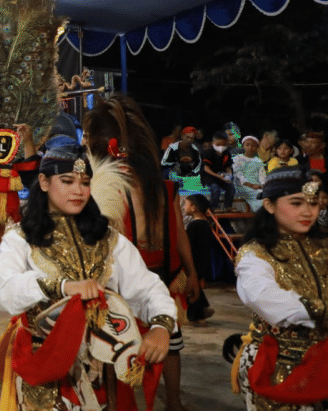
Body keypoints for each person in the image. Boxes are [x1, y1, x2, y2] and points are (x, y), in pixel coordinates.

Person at [0, 143, 176, 411]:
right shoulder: (20, 239)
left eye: (85, 182)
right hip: (45, 362)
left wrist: (160, 326)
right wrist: (63, 287)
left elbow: (146, 286)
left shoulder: (109, 239)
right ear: (43, 182)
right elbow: (6, 290)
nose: (78, 190)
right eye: (67, 181)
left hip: (103, 366)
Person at [83, 96, 200, 411]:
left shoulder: (106, 188)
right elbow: (180, 237)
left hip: (129, 282)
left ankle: (127, 402)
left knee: (116, 348)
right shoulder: (164, 187)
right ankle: (173, 402)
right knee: (170, 343)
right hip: (163, 275)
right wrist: (192, 275)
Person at [232, 167, 328, 410]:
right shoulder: (255, 254)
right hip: (279, 363)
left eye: (314, 204)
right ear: (270, 205)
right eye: (296, 203)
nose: (308, 212)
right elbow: (268, 301)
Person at [181, 194, 215, 324]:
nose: (184, 207)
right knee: (196, 288)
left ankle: (199, 315)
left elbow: (188, 246)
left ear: (194, 208)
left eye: (186, 204)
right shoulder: (206, 224)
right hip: (204, 260)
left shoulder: (193, 226)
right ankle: (203, 309)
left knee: (191, 288)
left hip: (194, 262)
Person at [202, 130, 236, 212]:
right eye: (218, 144)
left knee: (231, 188)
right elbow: (206, 169)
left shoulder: (227, 153)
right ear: (212, 143)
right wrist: (219, 176)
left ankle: (228, 206)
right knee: (215, 188)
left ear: (227, 143)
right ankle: (214, 207)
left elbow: (228, 167)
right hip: (209, 177)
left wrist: (229, 176)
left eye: (223, 144)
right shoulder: (208, 153)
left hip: (221, 177)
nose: (221, 146)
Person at [233, 135, 266, 212]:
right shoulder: (238, 159)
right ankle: (260, 212)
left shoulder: (258, 161)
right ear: (243, 146)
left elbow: (262, 176)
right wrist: (251, 185)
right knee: (258, 195)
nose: (250, 148)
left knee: (265, 193)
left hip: (256, 185)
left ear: (257, 147)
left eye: (253, 145)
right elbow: (238, 175)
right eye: (247, 145)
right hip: (242, 185)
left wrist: (263, 185)